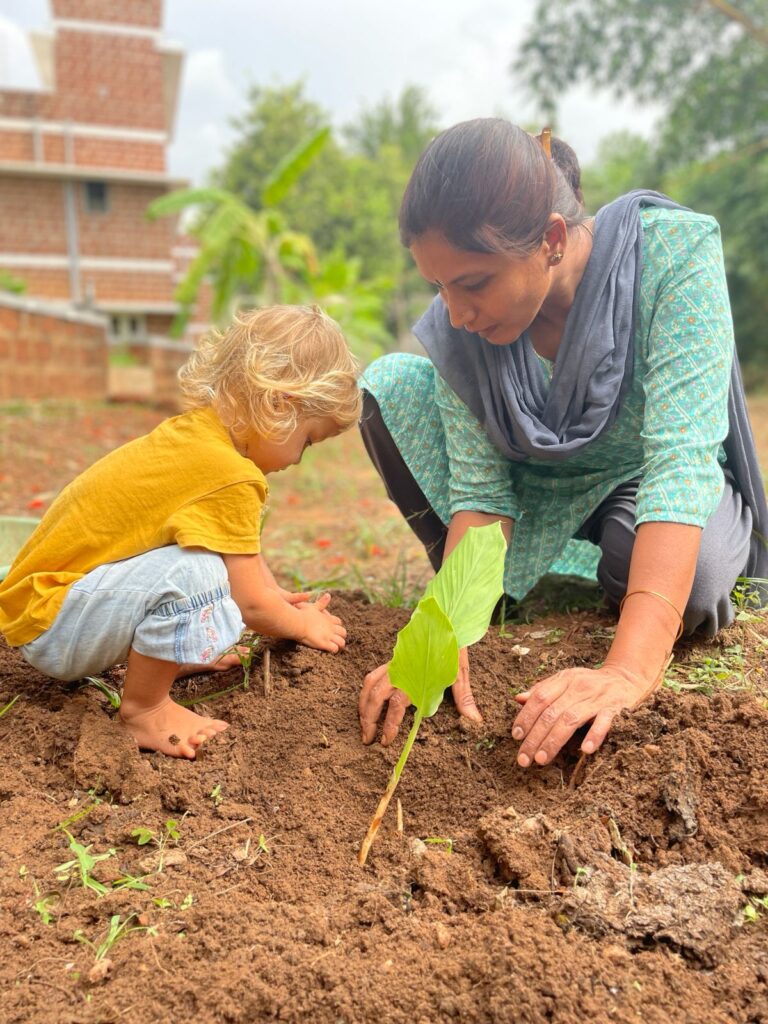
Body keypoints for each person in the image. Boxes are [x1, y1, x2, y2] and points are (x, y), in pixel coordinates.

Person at [358, 118, 767, 769]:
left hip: (642, 481)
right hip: (533, 487)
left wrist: (628, 671)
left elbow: (678, 467)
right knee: (386, 384)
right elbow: (482, 492)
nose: (455, 314)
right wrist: (443, 626)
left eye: (472, 283)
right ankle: (502, 589)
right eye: (439, 287)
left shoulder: (674, 258)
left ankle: (619, 576)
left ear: (550, 239)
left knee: (696, 581)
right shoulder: (460, 326)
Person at [0, 305, 361, 759]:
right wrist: (301, 623)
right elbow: (250, 604)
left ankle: (167, 657)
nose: (296, 460)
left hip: (53, 611)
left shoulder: (199, 438)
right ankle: (144, 710)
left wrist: (275, 594)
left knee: (205, 567)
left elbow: (242, 558)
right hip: (54, 626)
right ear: (279, 405)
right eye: (307, 441)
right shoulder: (228, 473)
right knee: (196, 573)